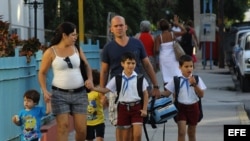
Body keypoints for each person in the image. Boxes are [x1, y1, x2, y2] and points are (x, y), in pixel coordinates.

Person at [100, 15, 160, 141]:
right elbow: (104, 71)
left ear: (126, 27)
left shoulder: (137, 43)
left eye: (121, 25)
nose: (119, 28)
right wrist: (102, 95)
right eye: (116, 26)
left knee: (136, 130)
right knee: (120, 127)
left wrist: (155, 85)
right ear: (111, 29)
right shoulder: (108, 48)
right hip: (117, 92)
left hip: (136, 90)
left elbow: (147, 65)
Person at [38, 21, 93, 141]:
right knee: (63, 127)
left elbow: (87, 65)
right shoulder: (51, 52)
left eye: (76, 35)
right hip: (59, 95)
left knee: (82, 129)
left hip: (80, 94)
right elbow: (42, 73)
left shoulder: (77, 48)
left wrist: (90, 79)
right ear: (64, 35)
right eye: (73, 35)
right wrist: (44, 90)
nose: (75, 37)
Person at [91, 52, 149, 141]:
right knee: (125, 137)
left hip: (136, 108)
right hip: (123, 108)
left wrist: (145, 109)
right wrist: (93, 88)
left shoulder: (140, 78)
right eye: (128, 63)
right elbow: (106, 90)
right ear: (122, 64)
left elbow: (145, 94)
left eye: (133, 63)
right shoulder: (117, 78)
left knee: (137, 135)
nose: (130, 66)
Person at [162, 55, 207, 141]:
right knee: (181, 132)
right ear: (180, 67)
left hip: (194, 107)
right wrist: (156, 93)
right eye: (186, 66)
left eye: (191, 66)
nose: (189, 69)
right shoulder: (176, 80)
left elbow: (201, 94)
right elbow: (167, 92)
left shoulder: (196, 79)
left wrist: (194, 85)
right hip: (181, 107)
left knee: (191, 133)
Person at [154, 15, 186, 89]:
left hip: (164, 59)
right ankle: (177, 91)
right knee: (176, 74)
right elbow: (184, 31)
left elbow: (156, 50)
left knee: (166, 77)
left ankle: (166, 93)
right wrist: (177, 24)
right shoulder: (172, 34)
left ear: (160, 27)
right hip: (173, 57)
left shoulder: (159, 37)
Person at [86, 69, 105, 141]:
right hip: (87, 122)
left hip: (99, 121)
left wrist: (103, 101)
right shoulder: (84, 93)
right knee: (89, 139)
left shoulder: (98, 91)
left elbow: (103, 102)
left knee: (99, 139)